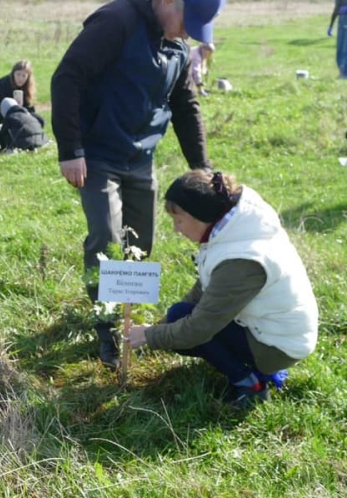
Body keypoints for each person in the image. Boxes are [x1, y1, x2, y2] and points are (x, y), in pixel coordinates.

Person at [50, 0, 226, 370]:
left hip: (140, 158)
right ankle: (106, 328)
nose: (187, 35)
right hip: (96, 155)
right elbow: (68, 77)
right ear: (167, 1)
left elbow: (185, 105)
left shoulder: (178, 46)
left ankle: (128, 315)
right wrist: (71, 148)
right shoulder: (116, 22)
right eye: (187, 24)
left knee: (140, 243)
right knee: (107, 241)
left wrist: (202, 166)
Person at [127, 170, 319, 408]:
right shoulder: (234, 229)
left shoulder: (242, 260)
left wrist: (149, 336)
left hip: (278, 347)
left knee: (185, 321)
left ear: (199, 216)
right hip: (277, 332)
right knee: (180, 313)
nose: (177, 229)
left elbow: (199, 328)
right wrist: (159, 326)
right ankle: (255, 368)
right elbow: (205, 289)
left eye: (179, 220)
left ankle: (251, 383)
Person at [0, 60, 38, 125]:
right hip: (2, 116)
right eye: (18, 74)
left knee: (38, 120)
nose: (20, 78)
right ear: (13, 74)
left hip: (20, 114)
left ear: (28, 77)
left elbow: (29, 106)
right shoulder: (3, 85)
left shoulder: (27, 87)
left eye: (24, 76)